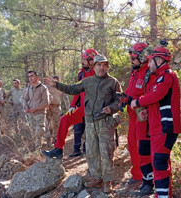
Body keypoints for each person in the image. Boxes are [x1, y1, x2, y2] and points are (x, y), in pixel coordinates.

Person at [43, 54, 122, 193]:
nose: (102, 67)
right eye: (99, 65)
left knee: (107, 152)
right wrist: (56, 84)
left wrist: (112, 108)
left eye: (104, 65)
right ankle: (97, 178)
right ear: (94, 66)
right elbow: (72, 89)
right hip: (90, 122)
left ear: (107, 66)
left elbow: (120, 100)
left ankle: (108, 181)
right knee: (91, 152)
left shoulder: (113, 82)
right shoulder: (88, 81)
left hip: (105, 122)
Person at [131, 41, 181, 197]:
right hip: (157, 128)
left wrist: (137, 102)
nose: (149, 63)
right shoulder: (158, 77)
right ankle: (163, 194)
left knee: (159, 163)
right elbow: (157, 102)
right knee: (159, 162)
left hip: (165, 128)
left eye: (151, 60)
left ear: (159, 61)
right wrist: (147, 111)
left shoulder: (167, 76)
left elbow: (156, 95)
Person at [42, 49, 97, 158]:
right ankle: (58, 149)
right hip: (82, 109)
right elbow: (76, 90)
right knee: (64, 119)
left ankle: (91, 157)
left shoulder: (97, 72)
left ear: (91, 61)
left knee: (90, 135)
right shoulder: (81, 74)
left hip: (95, 110)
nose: (82, 61)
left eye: (84, 59)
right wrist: (72, 105)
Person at [124, 42, 153, 191]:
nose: (131, 60)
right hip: (132, 115)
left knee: (142, 146)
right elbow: (131, 90)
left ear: (142, 58)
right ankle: (137, 174)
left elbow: (149, 95)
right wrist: (123, 98)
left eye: (134, 58)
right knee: (132, 144)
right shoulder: (135, 71)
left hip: (142, 115)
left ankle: (148, 177)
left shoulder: (149, 71)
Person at [21, 71, 51, 150]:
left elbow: (46, 102)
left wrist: (36, 108)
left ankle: (38, 148)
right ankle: (36, 148)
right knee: (33, 130)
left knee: (39, 130)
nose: (30, 78)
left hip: (40, 113)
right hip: (30, 113)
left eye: (32, 76)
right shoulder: (29, 88)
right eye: (29, 76)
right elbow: (24, 99)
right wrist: (25, 107)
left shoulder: (43, 88)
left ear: (37, 77)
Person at [45, 75, 70, 146]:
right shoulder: (48, 88)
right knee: (47, 123)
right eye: (54, 80)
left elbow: (65, 97)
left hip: (57, 107)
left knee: (57, 122)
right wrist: (47, 104)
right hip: (48, 107)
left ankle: (55, 137)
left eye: (57, 80)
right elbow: (44, 96)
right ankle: (48, 138)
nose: (56, 81)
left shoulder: (61, 88)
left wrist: (68, 106)